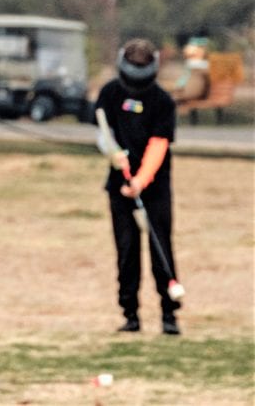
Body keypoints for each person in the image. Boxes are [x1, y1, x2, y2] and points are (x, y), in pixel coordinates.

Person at [94, 38, 181, 335]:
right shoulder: (110, 93)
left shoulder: (162, 102)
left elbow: (159, 145)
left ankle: (169, 315)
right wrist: (112, 153)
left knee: (161, 249)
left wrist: (140, 181)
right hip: (119, 186)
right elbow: (102, 130)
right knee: (127, 251)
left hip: (153, 189)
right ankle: (130, 314)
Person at [172, 37, 211, 104]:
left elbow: (183, 82)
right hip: (200, 93)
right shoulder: (205, 65)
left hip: (195, 95)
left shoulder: (193, 66)